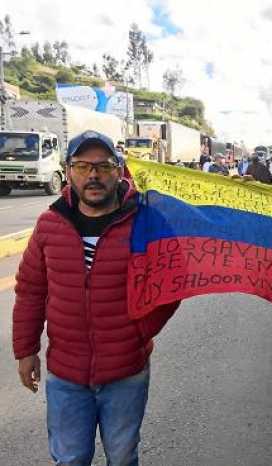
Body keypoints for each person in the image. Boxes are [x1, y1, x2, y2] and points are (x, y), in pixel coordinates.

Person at [12, 130, 179, 466]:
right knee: (70, 459)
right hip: (66, 374)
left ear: (118, 170)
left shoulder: (146, 222)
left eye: (103, 167)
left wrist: (138, 333)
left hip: (125, 373)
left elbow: (171, 283)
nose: (93, 175)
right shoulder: (49, 225)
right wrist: (25, 350)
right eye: (82, 166)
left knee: (122, 457)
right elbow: (31, 290)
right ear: (68, 170)